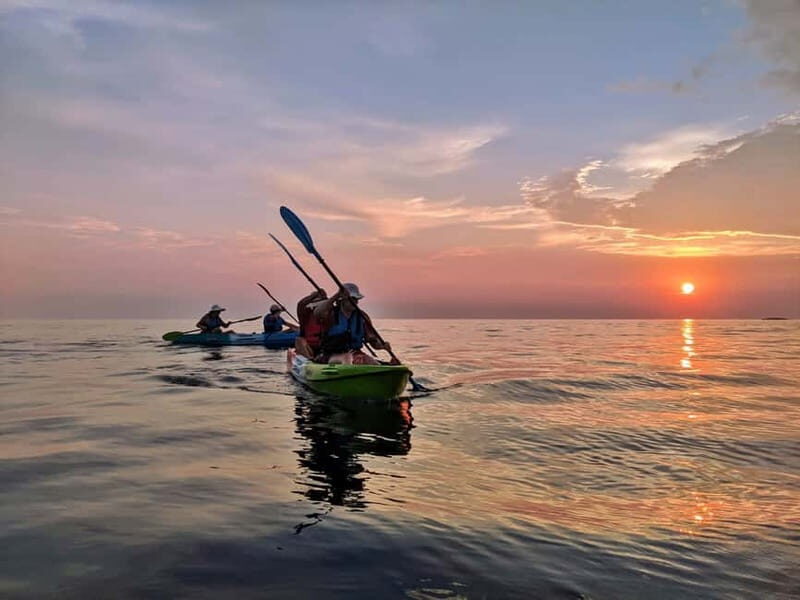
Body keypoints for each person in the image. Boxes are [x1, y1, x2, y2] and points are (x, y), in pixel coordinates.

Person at [313, 283, 395, 365]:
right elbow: (317, 312)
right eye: (351, 298)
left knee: (368, 360)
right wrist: (336, 296)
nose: (354, 302)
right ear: (343, 299)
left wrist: (382, 346)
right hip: (331, 355)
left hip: (355, 354)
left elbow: (373, 341)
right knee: (347, 358)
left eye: (356, 299)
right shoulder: (331, 314)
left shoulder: (363, 317)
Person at [295, 289, 328, 358]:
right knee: (299, 341)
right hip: (309, 348)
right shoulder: (305, 316)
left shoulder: (329, 314)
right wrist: (314, 295)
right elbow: (300, 304)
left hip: (324, 347)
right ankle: (310, 360)